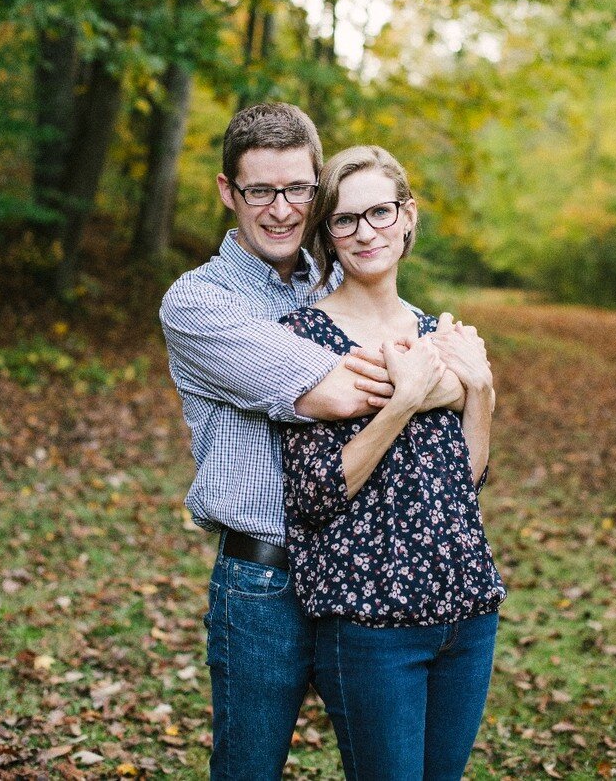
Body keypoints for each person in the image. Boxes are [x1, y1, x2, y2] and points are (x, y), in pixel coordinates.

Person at [160, 103, 467, 780]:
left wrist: (461, 384)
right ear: (227, 191)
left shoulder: (335, 279)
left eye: (297, 188)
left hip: (362, 575)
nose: (279, 209)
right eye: (259, 190)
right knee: (250, 769)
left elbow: (427, 360)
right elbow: (335, 392)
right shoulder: (200, 303)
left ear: (318, 186)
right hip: (265, 582)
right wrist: (441, 380)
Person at [280, 145, 507, 781]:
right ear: (327, 234)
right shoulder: (302, 337)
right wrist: (405, 400)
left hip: (465, 613)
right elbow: (315, 494)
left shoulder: (440, 334)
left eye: (380, 212)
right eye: (344, 220)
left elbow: (463, 483)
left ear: (407, 216)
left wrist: (480, 390)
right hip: (372, 623)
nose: (365, 232)